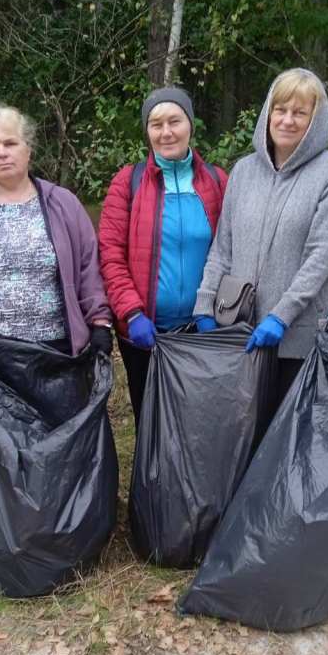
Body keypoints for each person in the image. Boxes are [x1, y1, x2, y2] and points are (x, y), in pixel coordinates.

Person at [194, 68, 328, 403]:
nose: (287, 120)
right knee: (241, 429)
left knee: (285, 431)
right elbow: (223, 248)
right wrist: (205, 305)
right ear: (268, 112)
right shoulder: (244, 170)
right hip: (238, 331)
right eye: (281, 110)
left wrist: (281, 315)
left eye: (300, 113)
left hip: (295, 337)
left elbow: (321, 255)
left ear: (315, 121)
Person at [0, 104, 112, 359]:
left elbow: (89, 269)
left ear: (28, 148)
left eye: (10, 143)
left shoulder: (64, 203)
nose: (2, 153)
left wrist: (100, 321)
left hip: (61, 352)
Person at [98, 87, 228, 423]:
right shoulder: (128, 182)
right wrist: (132, 313)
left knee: (201, 423)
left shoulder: (217, 182)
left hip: (204, 331)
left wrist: (216, 312)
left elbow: (231, 249)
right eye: (156, 124)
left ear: (190, 125)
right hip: (146, 335)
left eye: (175, 121)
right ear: (147, 131)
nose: (166, 132)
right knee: (152, 423)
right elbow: (110, 254)